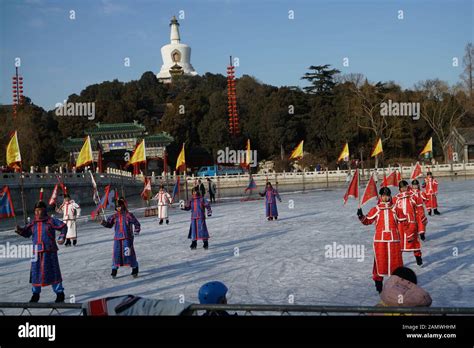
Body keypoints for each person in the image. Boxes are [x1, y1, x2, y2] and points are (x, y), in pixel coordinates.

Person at [15, 201, 67, 303]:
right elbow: (27, 233)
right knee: (36, 273)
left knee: (53, 272)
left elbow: (63, 227)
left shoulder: (51, 221)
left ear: (44, 210)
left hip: (50, 251)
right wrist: (20, 230)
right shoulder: (33, 223)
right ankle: (35, 294)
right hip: (36, 252)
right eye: (36, 211)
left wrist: (62, 237)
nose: (38, 213)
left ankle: (60, 293)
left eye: (40, 210)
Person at [358, 187, 404, 293]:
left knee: (396, 262)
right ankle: (378, 284)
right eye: (383, 195)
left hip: (394, 240)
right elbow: (367, 221)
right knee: (379, 262)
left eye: (387, 195)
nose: (385, 197)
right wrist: (361, 216)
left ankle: (398, 284)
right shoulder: (376, 209)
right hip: (380, 241)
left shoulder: (395, 209)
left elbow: (404, 221)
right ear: (380, 196)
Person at [101, 198, 141, 278]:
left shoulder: (128, 215)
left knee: (129, 254)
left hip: (127, 237)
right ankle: (114, 269)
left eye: (120, 206)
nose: (118, 208)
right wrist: (104, 223)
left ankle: (135, 268)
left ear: (123, 206)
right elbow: (109, 225)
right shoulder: (114, 216)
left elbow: (137, 223)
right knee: (116, 254)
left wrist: (136, 230)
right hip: (117, 238)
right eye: (117, 207)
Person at [393, 180, 423, 266]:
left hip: (411, 223)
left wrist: (420, 225)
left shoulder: (412, 197)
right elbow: (393, 211)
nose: (404, 189)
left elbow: (419, 210)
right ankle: (398, 262)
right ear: (399, 188)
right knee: (400, 243)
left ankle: (418, 256)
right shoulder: (396, 198)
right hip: (400, 224)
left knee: (414, 241)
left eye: (405, 187)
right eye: (402, 188)